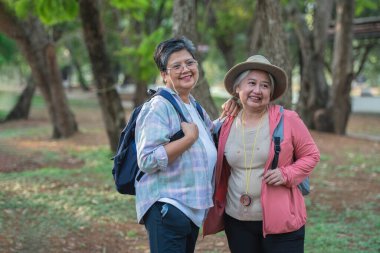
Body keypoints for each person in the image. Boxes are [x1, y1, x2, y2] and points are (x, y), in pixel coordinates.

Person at [203, 55, 320, 253]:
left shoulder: (288, 120)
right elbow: (204, 145)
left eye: (265, 86)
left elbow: (312, 155)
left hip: (282, 222)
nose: (257, 90)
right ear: (237, 88)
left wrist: (286, 174)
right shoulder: (225, 124)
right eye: (251, 83)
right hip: (237, 220)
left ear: (271, 93)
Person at [134, 36, 238, 253]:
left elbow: (209, 134)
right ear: (164, 75)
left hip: (189, 209)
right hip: (168, 207)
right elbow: (147, 160)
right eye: (176, 66)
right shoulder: (158, 107)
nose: (185, 69)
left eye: (190, 63)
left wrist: (231, 110)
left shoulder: (192, 104)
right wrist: (187, 139)